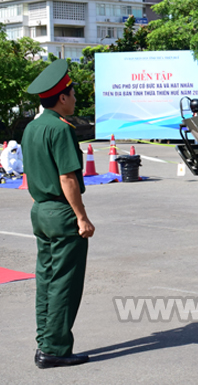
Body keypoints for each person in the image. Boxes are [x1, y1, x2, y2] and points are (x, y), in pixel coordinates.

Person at [22, 59, 95, 368]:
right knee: (65, 282)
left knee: (47, 279)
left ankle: (45, 341)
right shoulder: (60, 128)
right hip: (62, 213)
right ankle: (55, 348)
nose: (75, 99)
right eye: (73, 94)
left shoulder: (32, 128)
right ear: (62, 97)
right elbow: (67, 178)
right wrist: (81, 216)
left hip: (39, 211)